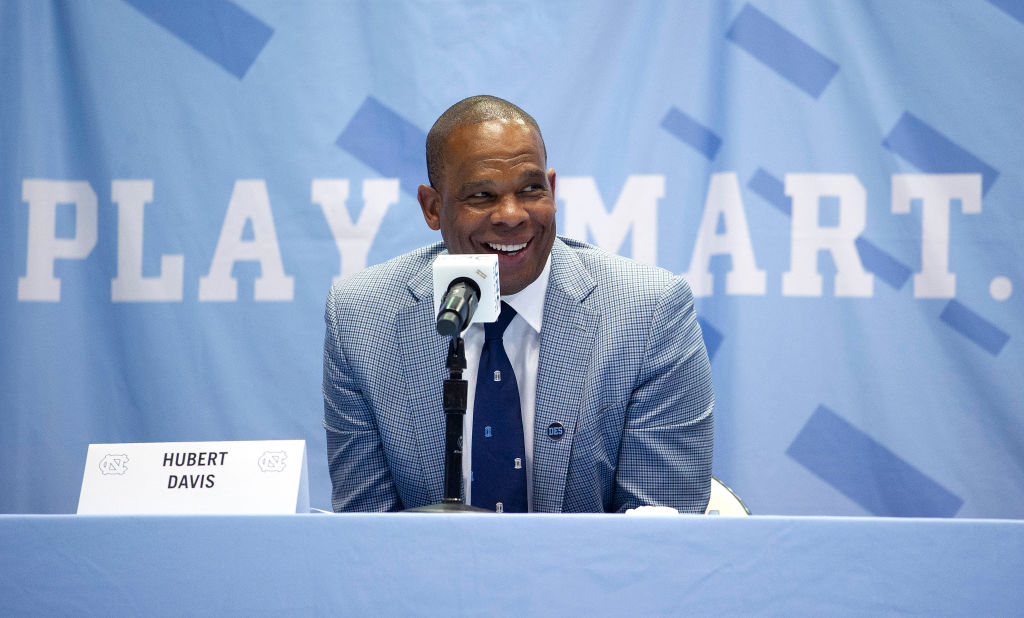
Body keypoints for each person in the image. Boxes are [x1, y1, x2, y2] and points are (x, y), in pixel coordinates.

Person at [323, 95, 713, 513]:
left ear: (552, 190)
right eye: (482, 195)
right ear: (433, 208)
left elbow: (664, 529)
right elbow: (366, 533)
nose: (511, 215)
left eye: (530, 190)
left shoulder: (649, 312)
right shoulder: (361, 319)